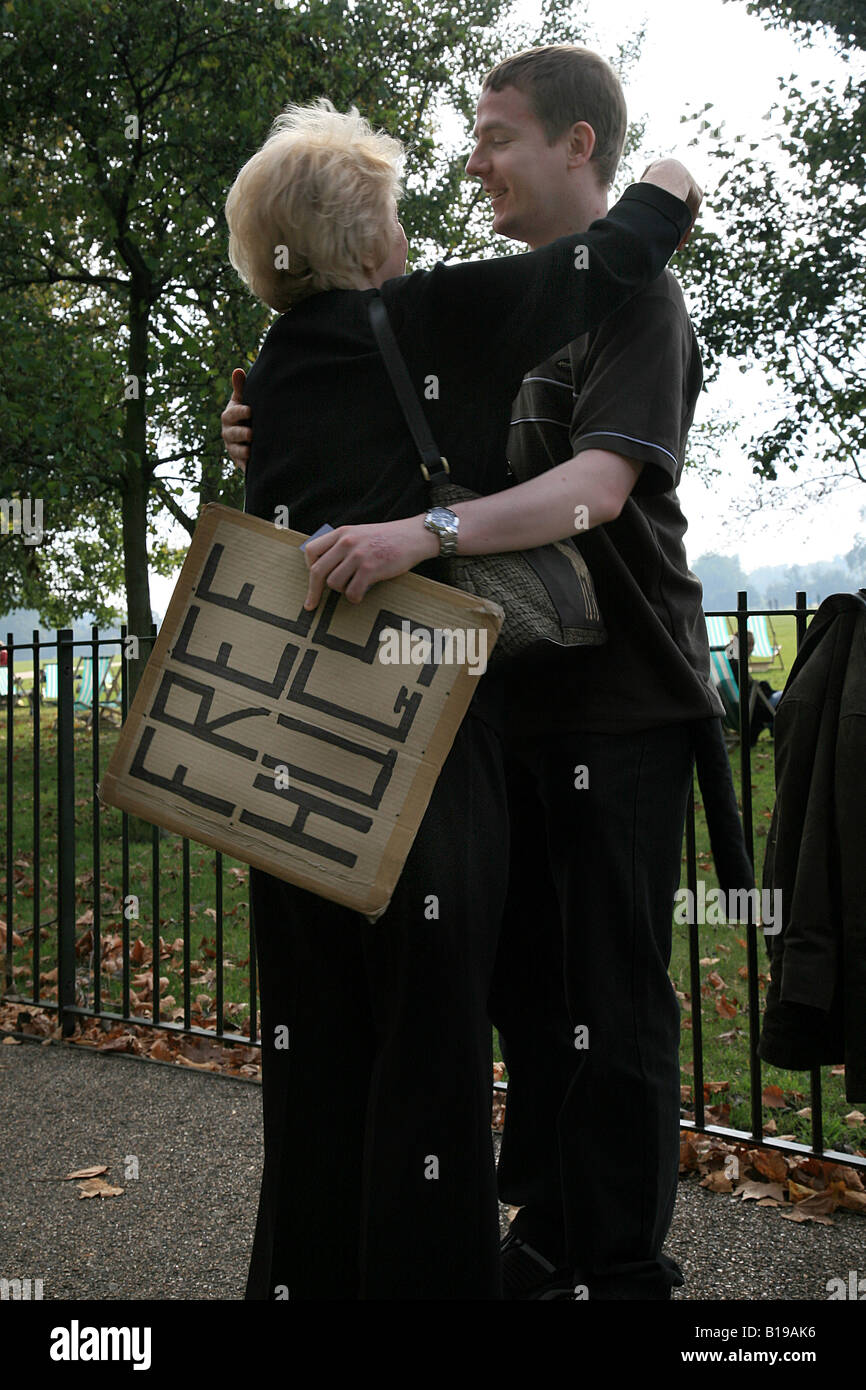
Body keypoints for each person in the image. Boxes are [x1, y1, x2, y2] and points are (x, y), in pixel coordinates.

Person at [222, 95, 698, 1300]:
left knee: (318, 1049)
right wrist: (672, 180)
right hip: (425, 745)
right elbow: (608, 260)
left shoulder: (274, 370)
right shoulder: (428, 317)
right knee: (428, 1050)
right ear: (369, 241)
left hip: (291, 757)